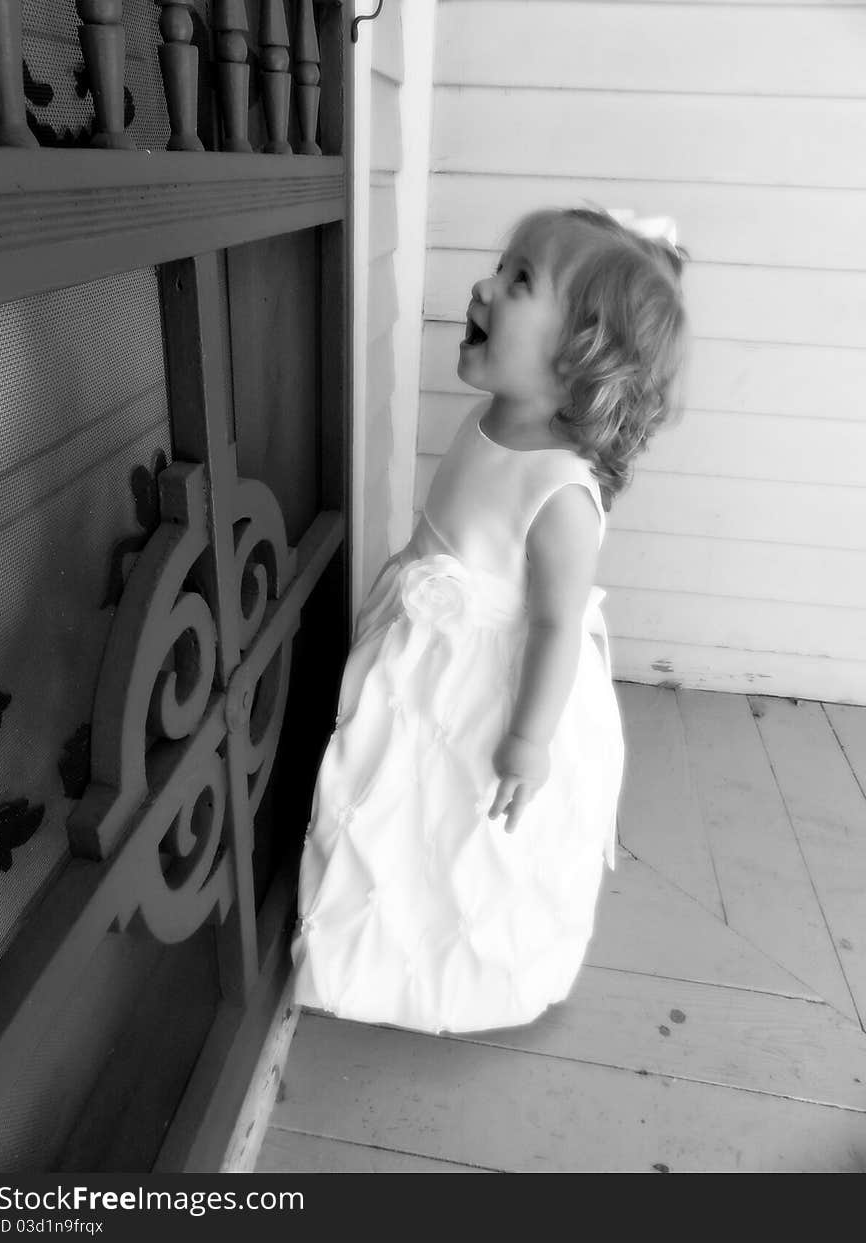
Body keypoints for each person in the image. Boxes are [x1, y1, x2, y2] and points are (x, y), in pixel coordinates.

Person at [290, 206, 687, 1035]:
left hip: (487, 686)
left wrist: (528, 739)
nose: (484, 286)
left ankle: (451, 968)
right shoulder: (488, 419)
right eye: (501, 266)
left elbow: (554, 627)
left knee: (457, 820)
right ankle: (367, 923)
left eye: (518, 281)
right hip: (426, 650)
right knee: (395, 798)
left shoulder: (563, 495)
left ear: (580, 353)